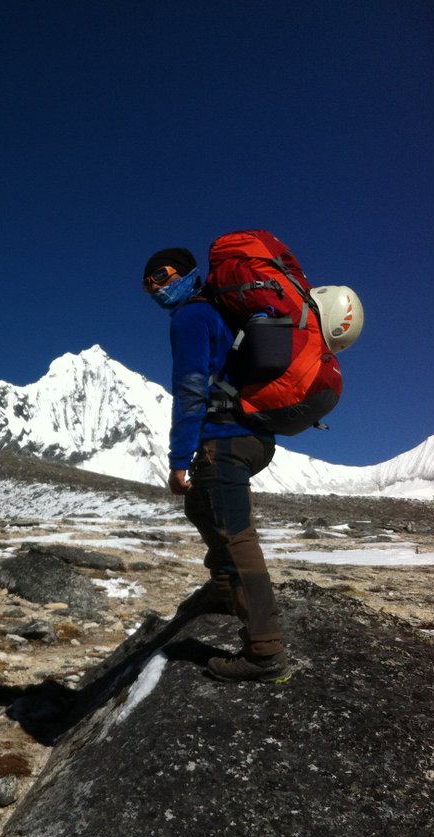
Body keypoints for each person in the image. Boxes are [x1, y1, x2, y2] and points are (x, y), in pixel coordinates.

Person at [141, 247, 291, 683]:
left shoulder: (191, 317)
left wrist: (178, 459)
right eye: (148, 284)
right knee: (201, 507)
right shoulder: (225, 313)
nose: (156, 288)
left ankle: (265, 653)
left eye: (162, 275)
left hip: (223, 439)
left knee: (235, 535)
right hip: (255, 437)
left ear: (189, 274)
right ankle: (226, 590)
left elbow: (191, 389)